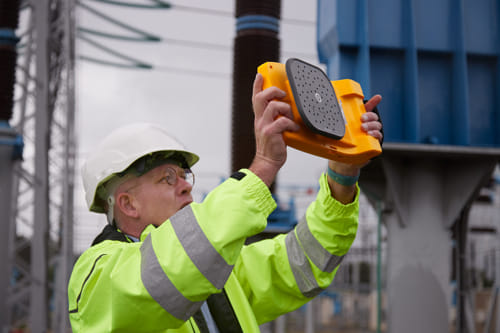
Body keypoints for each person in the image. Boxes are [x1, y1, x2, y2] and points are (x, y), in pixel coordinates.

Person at [67, 73, 383, 332]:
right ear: (128, 204)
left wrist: (342, 175)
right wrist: (261, 168)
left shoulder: (220, 274)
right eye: (167, 178)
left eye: (184, 176)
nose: (185, 189)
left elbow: (305, 261)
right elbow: (168, 267)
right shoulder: (96, 276)